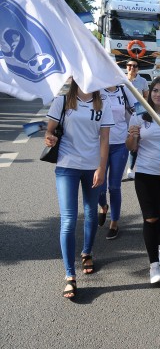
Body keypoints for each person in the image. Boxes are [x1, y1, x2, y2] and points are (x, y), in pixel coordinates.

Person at [45, 80, 113, 299]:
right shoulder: (62, 101)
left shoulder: (103, 103)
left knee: (91, 212)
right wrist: (49, 137)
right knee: (69, 220)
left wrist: (101, 168)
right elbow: (50, 131)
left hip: (92, 166)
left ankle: (87, 252)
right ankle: (70, 275)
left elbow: (104, 139)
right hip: (67, 165)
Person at [127, 77, 160, 283]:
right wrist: (133, 136)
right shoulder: (139, 115)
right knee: (150, 218)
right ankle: (154, 266)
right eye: (155, 90)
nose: (158, 94)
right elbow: (131, 147)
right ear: (149, 93)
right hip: (145, 173)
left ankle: (158, 245)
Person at [98, 83, 137, 240]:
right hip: (99, 144)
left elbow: (138, 108)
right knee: (99, 186)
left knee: (114, 186)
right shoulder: (96, 90)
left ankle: (114, 222)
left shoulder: (123, 89)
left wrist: (136, 129)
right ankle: (103, 206)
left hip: (120, 144)